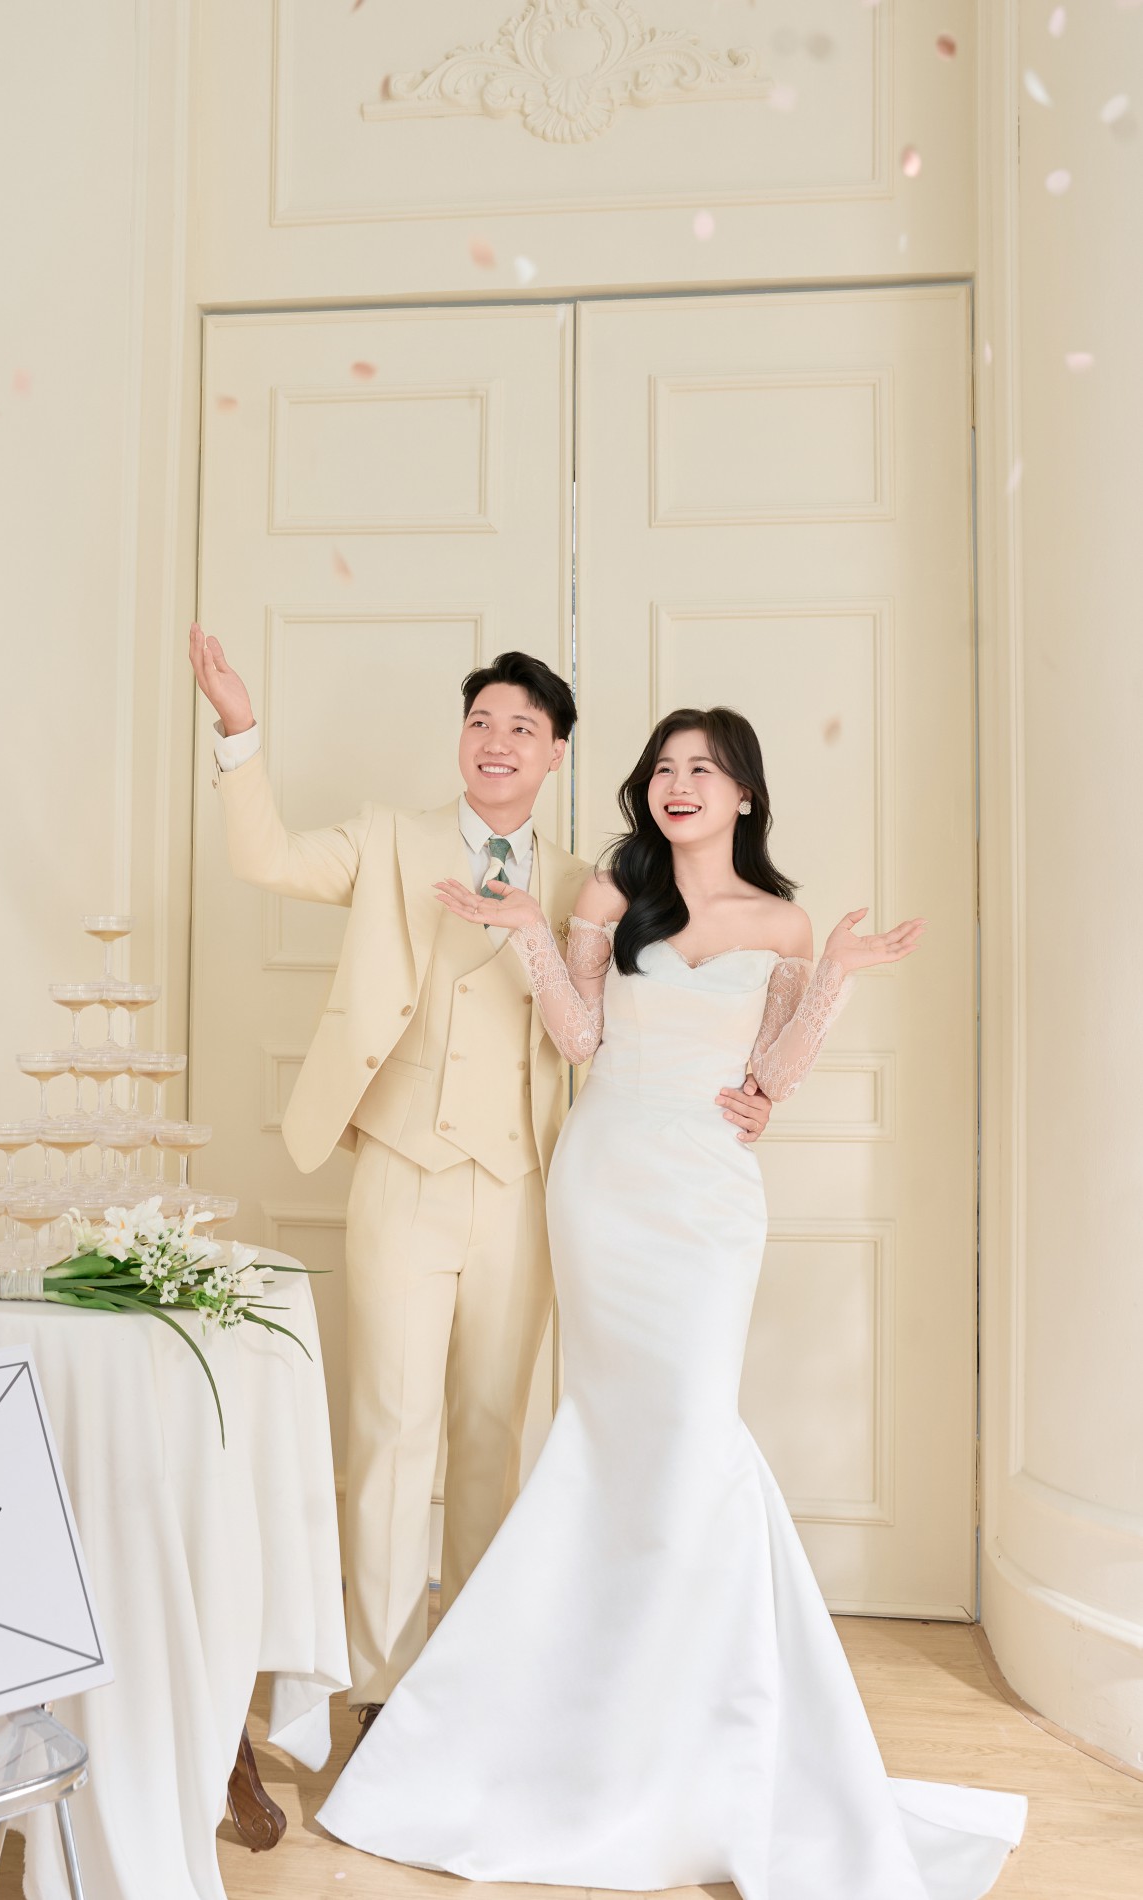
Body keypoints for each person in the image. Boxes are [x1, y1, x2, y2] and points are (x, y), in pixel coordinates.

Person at [316, 705, 1028, 1898]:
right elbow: (580, 1035)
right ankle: (581, 1715)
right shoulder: (613, 893)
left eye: (703, 767)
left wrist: (834, 977)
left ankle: (702, 1716)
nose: (677, 782)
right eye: (662, 767)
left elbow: (769, 1080)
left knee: (691, 1435)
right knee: (609, 1438)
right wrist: (527, 934)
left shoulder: (783, 922)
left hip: (706, 1203)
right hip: (603, 1185)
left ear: (744, 792)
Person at [187, 630, 775, 1743]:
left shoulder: (593, 885)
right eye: (480, 722)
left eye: (522, 727)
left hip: (529, 1186)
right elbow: (263, 857)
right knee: (388, 1429)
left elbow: (669, 1012)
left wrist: (755, 1090)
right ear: (461, 740)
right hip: (401, 1172)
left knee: (492, 1434)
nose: (496, 741)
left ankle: (467, 1680)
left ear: (556, 754)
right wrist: (238, 728)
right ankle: (376, 1688)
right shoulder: (387, 839)